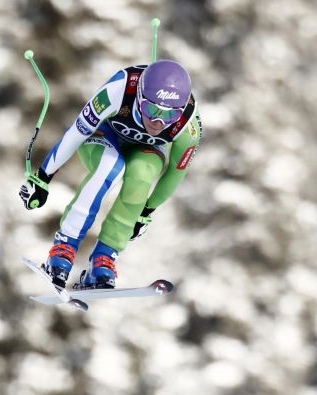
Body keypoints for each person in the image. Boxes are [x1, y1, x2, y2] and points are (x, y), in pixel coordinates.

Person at [19, 59, 202, 289]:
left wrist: (146, 211)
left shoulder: (189, 124)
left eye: (169, 116)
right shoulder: (119, 90)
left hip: (145, 151)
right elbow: (77, 132)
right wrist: (43, 177)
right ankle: (63, 248)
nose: (157, 121)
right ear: (140, 98)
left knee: (142, 173)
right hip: (104, 136)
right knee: (111, 166)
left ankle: (104, 258)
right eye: (151, 109)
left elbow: (176, 172)